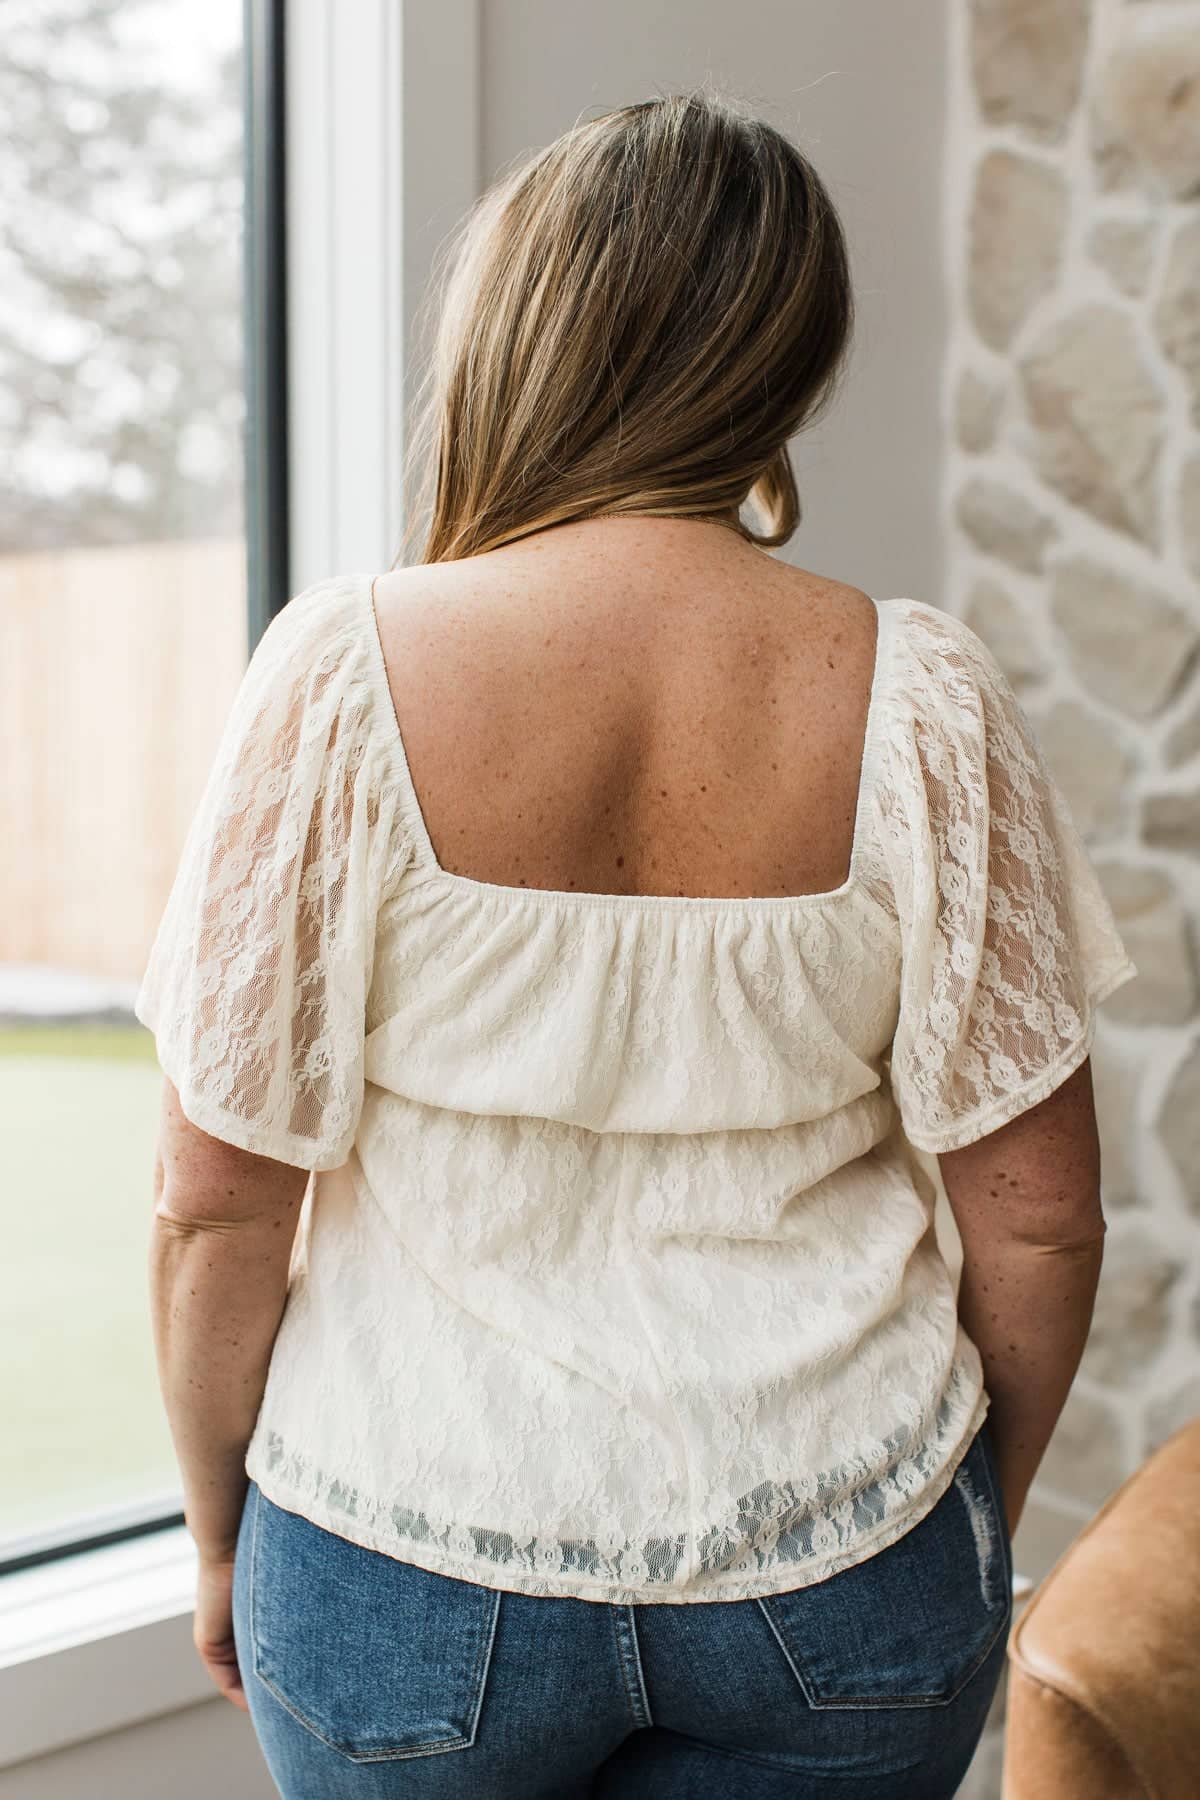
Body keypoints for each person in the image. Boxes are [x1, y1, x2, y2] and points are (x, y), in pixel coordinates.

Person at [136, 88, 1137, 1799]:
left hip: (402, 1545)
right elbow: (1041, 1221)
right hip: (845, 1545)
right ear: (786, 359)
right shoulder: (922, 698)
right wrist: (961, 1523)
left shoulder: (340, 679)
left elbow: (214, 1200)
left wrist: (222, 1532)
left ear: (518, 336)